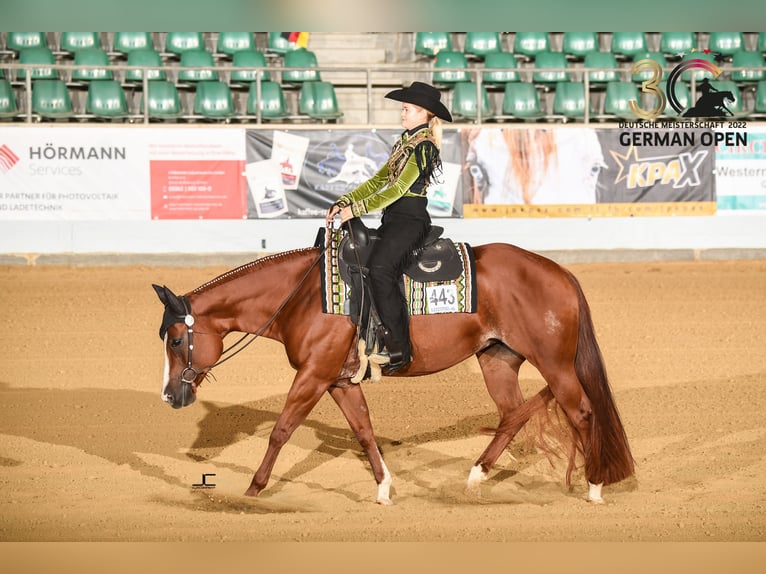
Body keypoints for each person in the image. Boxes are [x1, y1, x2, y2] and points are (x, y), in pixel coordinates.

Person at [325, 81, 452, 370]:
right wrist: (344, 200)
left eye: (407, 109)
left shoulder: (423, 147)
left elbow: (396, 190)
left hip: (410, 221)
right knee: (369, 264)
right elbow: (379, 181)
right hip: (394, 220)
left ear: (423, 113)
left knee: (381, 270)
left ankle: (400, 348)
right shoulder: (405, 143)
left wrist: (355, 209)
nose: (402, 113)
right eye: (404, 109)